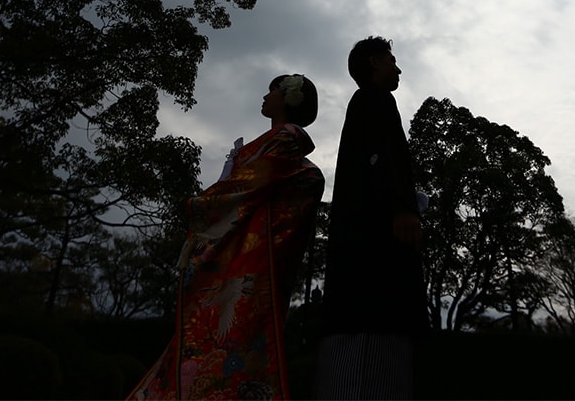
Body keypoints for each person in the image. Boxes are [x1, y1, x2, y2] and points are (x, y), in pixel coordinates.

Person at [129, 74, 325, 401]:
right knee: (229, 338)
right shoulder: (278, 141)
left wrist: (201, 204)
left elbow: (249, 184)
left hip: (252, 260)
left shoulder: (286, 138)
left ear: (289, 99)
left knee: (233, 336)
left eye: (272, 91)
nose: (265, 96)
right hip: (248, 255)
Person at [316, 37, 427, 399]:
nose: (398, 68)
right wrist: (403, 208)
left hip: (360, 247)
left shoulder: (365, 104)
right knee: (374, 344)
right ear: (374, 62)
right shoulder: (374, 99)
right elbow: (385, 159)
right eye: (392, 61)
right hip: (373, 251)